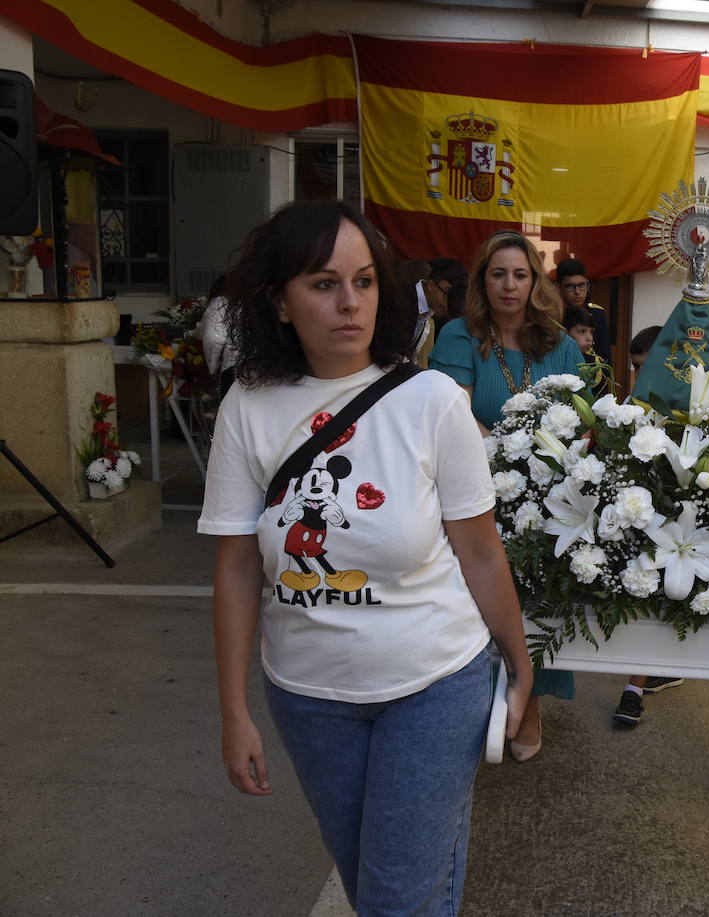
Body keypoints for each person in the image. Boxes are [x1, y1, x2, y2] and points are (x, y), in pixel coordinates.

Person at [199, 200, 533, 915]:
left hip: (435, 682)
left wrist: (519, 661)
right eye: (322, 284)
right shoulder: (247, 408)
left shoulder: (434, 401)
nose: (349, 302)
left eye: (364, 281)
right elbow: (236, 567)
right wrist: (234, 711)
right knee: (369, 883)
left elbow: (479, 551)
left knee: (394, 900)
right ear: (280, 302)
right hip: (307, 695)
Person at [431, 230, 585, 759]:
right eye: (498, 274)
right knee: (473, 602)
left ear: (535, 282)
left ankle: (531, 697)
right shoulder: (458, 335)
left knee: (538, 600)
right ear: (482, 281)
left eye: (520, 274)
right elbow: (452, 415)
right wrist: (510, 452)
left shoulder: (560, 343)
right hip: (474, 490)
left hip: (547, 491)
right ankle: (469, 698)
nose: (509, 285)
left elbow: (579, 419)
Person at [556, 257, 612, 362]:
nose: (577, 292)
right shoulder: (551, 316)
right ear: (558, 288)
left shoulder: (597, 314)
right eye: (570, 286)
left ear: (588, 284)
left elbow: (604, 357)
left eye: (581, 285)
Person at [196, 274, 236, 398]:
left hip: (233, 365)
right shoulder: (252, 302)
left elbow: (214, 338)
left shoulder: (219, 303)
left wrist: (212, 368)